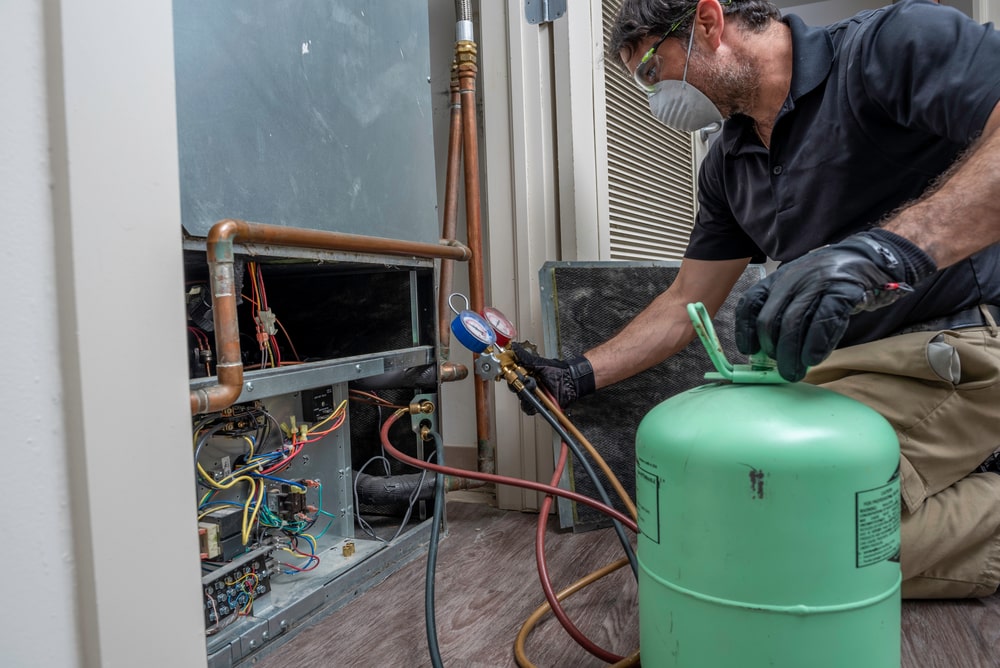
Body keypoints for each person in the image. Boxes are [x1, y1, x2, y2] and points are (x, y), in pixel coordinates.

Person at [513, 0, 1000, 599]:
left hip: (952, 341)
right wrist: (576, 375)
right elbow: (685, 301)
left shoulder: (888, 47)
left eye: (650, 71)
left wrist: (890, 251)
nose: (652, 96)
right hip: (831, 373)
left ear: (707, 22)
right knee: (719, 504)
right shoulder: (728, 165)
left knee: (775, 538)